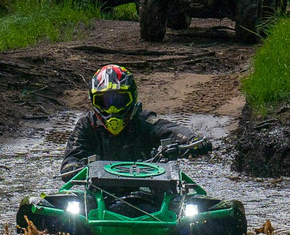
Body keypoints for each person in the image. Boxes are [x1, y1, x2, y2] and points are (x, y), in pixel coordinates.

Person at [61, 64, 215, 170]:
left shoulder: (144, 121)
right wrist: (74, 166)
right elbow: (70, 159)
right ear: (94, 102)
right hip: (98, 195)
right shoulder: (86, 125)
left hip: (149, 191)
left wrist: (191, 140)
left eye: (119, 100)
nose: (113, 109)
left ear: (132, 98)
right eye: (106, 101)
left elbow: (171, 129)